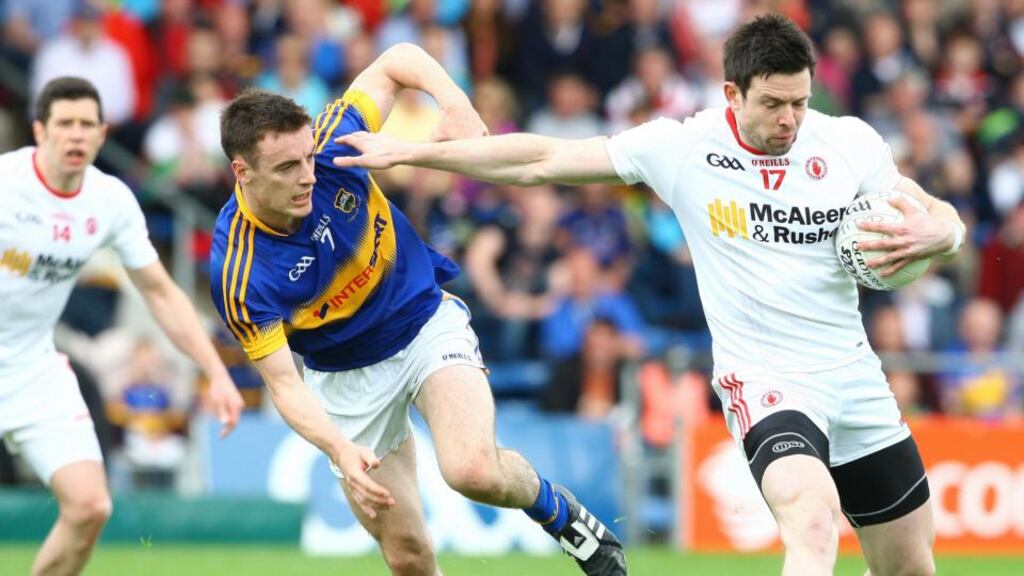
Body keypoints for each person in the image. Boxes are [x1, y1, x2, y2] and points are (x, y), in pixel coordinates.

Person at [334, 15, 968, 576]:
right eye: (774, 104)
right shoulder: (683, 147)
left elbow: (926, 211)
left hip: (855, 377)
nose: (790, 120)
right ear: (732, 93)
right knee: (811, 520)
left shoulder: (850, 141)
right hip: (768, 381)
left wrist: (947, 230)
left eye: (800, 103)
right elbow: (543, 159)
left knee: (909, 566)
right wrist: (411, 153)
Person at [210, 42, 626, 576]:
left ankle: (564, 517)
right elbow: (284, 385)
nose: (309, 176)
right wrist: (338, 448)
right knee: (407, 556)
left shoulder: (336, 139)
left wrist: (453, 101)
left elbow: (395, 60)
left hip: (422, 319)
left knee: (473, 470)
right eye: (288, 167)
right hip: (345, 378)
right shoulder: (238, 271)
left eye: (309, 157)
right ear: (242, 172)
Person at [0, 76, 245, 576]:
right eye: (64, 124)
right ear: (40, 131)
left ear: (102, 133)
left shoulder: (110, 200)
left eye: (86, 124)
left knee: (91, 507)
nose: (75, 135)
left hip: (29, 366)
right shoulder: (6, 183)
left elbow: (160, 291)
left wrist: (215, 372)